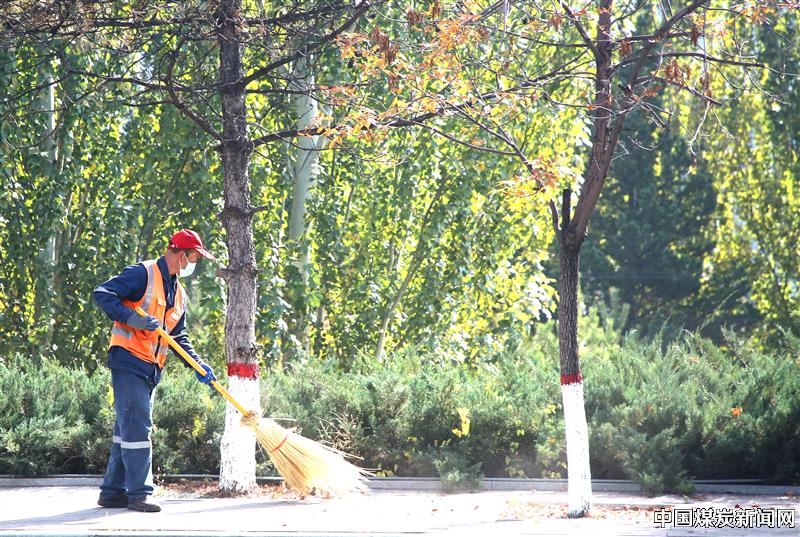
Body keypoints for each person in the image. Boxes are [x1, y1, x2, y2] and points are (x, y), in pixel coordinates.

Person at [93, 229, 218, 512]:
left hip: (151, 367)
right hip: (128, 359)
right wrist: (131, 319)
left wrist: (197, 364)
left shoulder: (179, 293)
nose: (195, 263)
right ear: (180, 253)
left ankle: (112, 492)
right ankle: (139, 494)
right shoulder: (143, 274)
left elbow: (178, 336)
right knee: (138, 426)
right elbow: (103, 293)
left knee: (127, 426)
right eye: (195, 257)